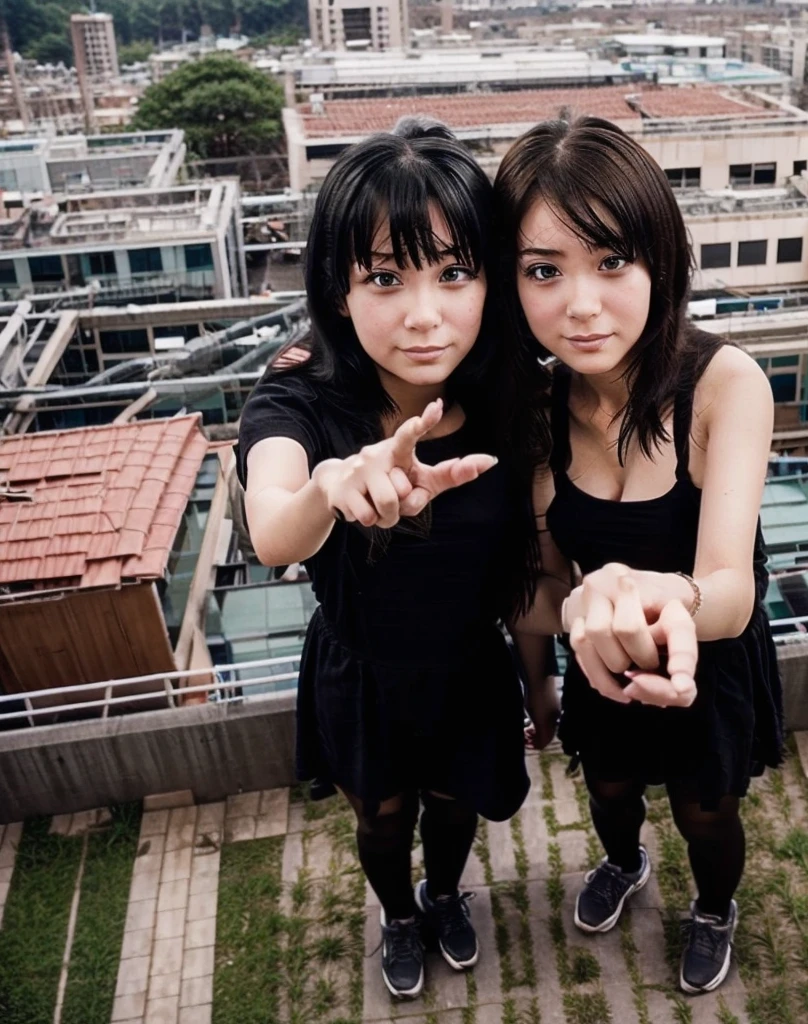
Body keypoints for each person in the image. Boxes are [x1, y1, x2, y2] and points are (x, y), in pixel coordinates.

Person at [236, 117, 549, 1001]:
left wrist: (539, 678)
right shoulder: (297, 398)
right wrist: (332, 486)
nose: (424, 314)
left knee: (453, 808)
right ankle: (398, 916)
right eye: (385, 277)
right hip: (363, 667)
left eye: (454, 273)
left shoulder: (510, 390)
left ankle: (445, 894)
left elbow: (535, 556)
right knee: (381, 817)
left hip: (468, 663)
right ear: (340, 290)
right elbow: (272, 532)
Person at [494, 116, 785, 995]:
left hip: (711, 657)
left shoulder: (725, 384)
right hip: (601, 656)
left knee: (706, 811)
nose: (581, 304)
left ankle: (712, 908)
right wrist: (556, 653)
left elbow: (730, 583)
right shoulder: (535, 412)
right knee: (611, 792)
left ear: (661, 259)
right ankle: (623, 865)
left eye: (612, 261)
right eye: (544, 270)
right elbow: (539, 586)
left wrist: (669, 597)